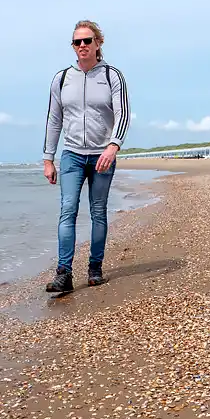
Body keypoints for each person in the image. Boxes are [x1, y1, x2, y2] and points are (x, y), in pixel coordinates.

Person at [42, 20, 131, 292]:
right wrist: (48, 157)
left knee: (98, 211)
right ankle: (64, 273)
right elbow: (53, 119)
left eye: (87, 41)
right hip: (72, 155)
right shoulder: (62, 78)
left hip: (102, 155)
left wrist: (113, 146)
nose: (82, 46)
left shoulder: (111, 76)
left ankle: (95, 268)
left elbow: (123, 114)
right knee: (67, 210)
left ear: (98, 43)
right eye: (77, 42)